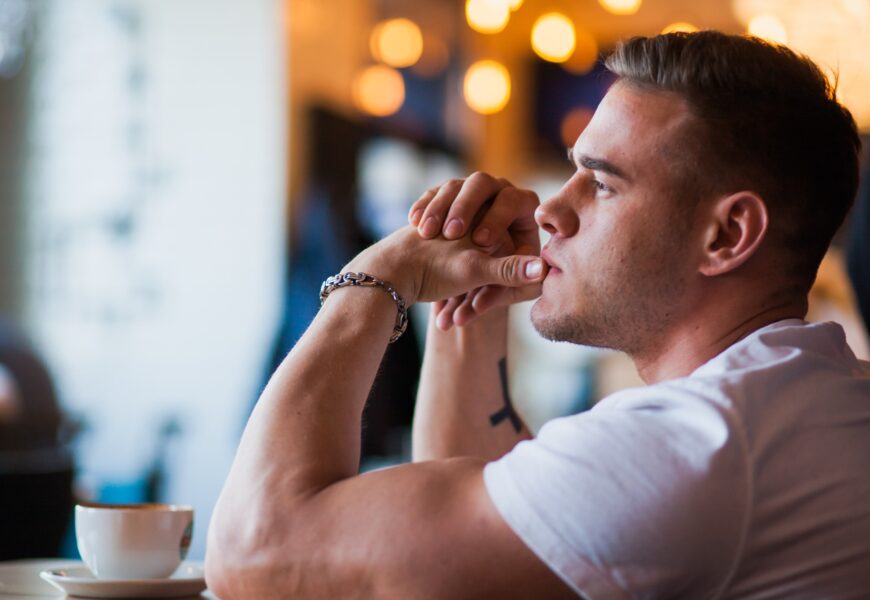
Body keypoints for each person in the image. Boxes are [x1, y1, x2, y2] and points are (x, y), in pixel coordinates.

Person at [205, 31, 870, 598]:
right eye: (572, 171)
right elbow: (478, 554)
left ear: (727, 236)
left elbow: (255, 554)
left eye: (603, 183)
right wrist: (471, 298)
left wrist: (373, 279)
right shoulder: (794, 396)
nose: (553, 209)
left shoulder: (699, 443)